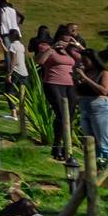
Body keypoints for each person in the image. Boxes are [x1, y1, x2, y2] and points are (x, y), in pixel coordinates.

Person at [39, 31, 80, 160]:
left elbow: (87, 57)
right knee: (61, 115)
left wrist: (78, 46)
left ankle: (65, 146)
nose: (65, 43)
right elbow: (39, 61)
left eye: (68, 41)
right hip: (53, 83)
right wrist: (52, 48)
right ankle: (57, 147)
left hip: (70, 84)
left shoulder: (71, 52)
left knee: (70, 115)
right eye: (63, 40)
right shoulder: (47, 48)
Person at [73, 48, 108, 164]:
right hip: (85, 107)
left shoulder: (104, 73)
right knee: (91, 141)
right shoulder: (86, 72)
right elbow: (79, 91)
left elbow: (104, 91)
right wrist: (78, 80)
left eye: (86, 60)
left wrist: (86, 78)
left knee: (103, 141)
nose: (84, 63)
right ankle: (96, 168)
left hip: (100, 109)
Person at [4, 29, 29, 120]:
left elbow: (13, 60)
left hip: (16, 71)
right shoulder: (21, 46)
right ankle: (22, 111)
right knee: (22, 93)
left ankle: (13, 112)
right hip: (24, 71)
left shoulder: (12, 45)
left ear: (12, 36)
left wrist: (9, 73)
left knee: (9, 91)